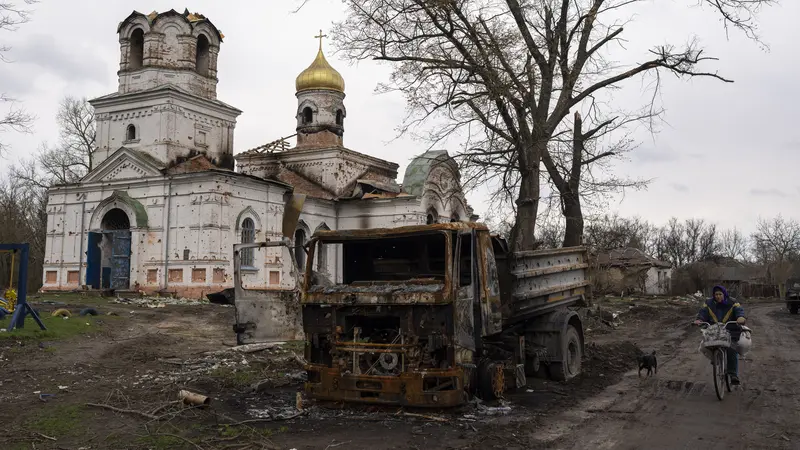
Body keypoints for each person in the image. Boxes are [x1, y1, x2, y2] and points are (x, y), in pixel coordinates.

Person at [694, 285, 746, 385]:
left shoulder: (733, 302)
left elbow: (739, 311)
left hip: (730, 329)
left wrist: (740, 317)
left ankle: (733, 374)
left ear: (724, 294)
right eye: (716, 294)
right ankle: (716, 357)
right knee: (708, 344)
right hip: (714, 330)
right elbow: (703, 313)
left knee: (731, 348)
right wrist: (699, 320)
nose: (718, 296)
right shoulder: (708, 303)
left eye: (720, 294)